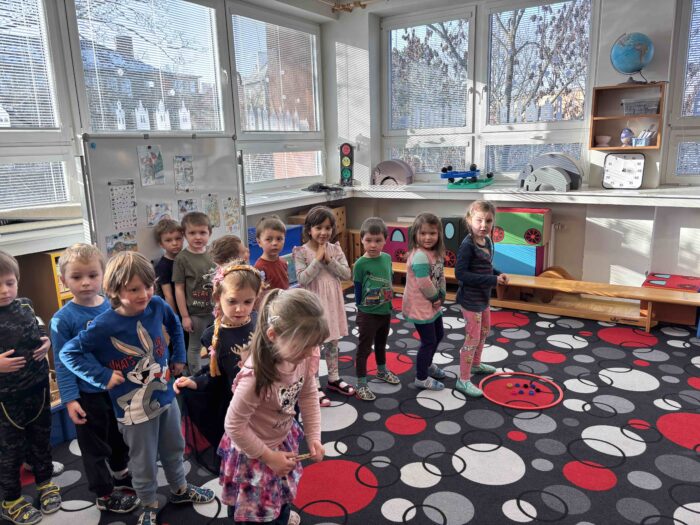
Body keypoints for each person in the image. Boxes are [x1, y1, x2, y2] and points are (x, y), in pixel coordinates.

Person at [60, 252, 214, 525]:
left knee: (175, 447)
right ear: (114, 291)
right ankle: (148, 503)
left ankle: (179, 489)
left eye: (148, 286)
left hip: (165, 395)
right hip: (134, 411)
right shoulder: (104, 324)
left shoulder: (156, 304)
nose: (144, 294)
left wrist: (179, 355)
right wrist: (102, 376)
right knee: (143, 461)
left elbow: (174, 325)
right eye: (133, 290)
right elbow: (68, 353)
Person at [218, 288, 326, 525]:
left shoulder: (303, 356)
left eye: (314, 345)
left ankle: (281, 514)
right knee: (252, 512)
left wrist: (314, 437)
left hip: (280, 438)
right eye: (304, 346)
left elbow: (308, 394)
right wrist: (269, 457)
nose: (311, 352)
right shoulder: (255, 378)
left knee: (281, 491)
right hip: (252, 451)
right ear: (273, 335)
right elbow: (234, 425)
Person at [51, 244, 139, 514]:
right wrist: (70, 399)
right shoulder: (62, 320)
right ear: (63, 280)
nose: (86, 282)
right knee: (94, 447)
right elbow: (62, 364)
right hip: (87, 395)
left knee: (119, 436)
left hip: (120, 390)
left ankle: (121, 472)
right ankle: (104, 494)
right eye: (77, 277)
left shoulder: (115, 307)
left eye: (92, 275)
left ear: (104, 276)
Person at [174, 260, 262, 449]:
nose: (240, 308)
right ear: (217, 298)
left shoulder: (259, 320)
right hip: (239, 407)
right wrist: (195, 382)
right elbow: (215, 373)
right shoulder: (213, 336)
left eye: (248, 302)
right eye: (232, 301)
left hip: (266, 402)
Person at [0, 250, 60, 525]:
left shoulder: (25, 305)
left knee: (40, 440)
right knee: (9, 453)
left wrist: (46, 341)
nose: (4, 290)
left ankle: (45, 482)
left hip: (38, 389)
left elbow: (38, 325)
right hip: (7, 400)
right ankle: (11, 501)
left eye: (10, 282)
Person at [292, 206, 354, 406]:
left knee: (332, 341)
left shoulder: (335, 249)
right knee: (314, 346)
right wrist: (318, 260)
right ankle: (314, 383)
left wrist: (328, 260)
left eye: (328, 228)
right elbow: (302, 279)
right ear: (309, 229)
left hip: (333, 302)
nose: (324, 232)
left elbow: (347, 274)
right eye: (318, 227)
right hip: (314, 306)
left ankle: (334, 378)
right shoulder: (301, 252)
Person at [455, 200, 509, 397]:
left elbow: (485, 267)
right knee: (472, 339)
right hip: (470, 300)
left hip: (483, 298)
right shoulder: (467, 246)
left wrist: (498, 273)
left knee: (484, 331)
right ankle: (463, 380)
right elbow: (461, 274)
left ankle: (476, 365)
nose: (484, 225)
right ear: (469, 220)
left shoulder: (487, 241)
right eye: (479, 220)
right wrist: (492, 280)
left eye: (488, 221)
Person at [352, 218, 400, 401]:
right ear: (362, 239)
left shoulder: (386, 258)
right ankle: (361, 383)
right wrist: (361, 309)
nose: (373, 245)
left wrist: (388, 302)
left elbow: (389, 280)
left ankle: (381, 370)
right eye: (369, 240)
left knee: (381, 343)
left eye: (378, 240)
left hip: (385, 311)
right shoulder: (360, 264)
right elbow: (357, 289)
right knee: (364, 349)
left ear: (385, 240)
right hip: (367, 314)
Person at [402, 213, 447, 391]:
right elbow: (423, 282)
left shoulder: (436, 253)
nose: (427, 237)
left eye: (432, 233)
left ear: (439, 234)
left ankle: (427, 364)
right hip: (421, 305)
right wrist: (436, 298)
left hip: (432, 302)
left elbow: (440, 275)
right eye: (423, 233)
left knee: (439, 334)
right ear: (415, 234)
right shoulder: (420, 256)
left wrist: (442, 294)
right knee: (428, 341)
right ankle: (421, 377)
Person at [174, 211, 215, 374]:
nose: (198, 237)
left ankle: (215, 373)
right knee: (195, 347)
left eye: (202, 232)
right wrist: (184, 316)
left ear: (209, 233)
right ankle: (196, 378)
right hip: (196, 313)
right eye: (192, 233)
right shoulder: (182, 259)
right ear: (184, 235)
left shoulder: (212, 253)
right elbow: (178, 288)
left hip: (215, 310)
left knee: (216, 344)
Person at [153, 219, 184, 315]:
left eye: (178, 238)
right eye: (168, 240)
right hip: (177, 310)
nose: (174, 243)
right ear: (161, 244)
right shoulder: (162, 266)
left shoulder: (186, 259)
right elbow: (168, 295)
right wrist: (174, 317)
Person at [254, 217, 289, 291]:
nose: (275, 243)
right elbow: (259, 292)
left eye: (279, 239)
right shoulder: (259, 267)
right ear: (259, 242)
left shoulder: (283, 262)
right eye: (268, 239)